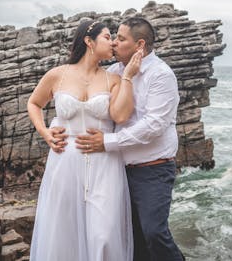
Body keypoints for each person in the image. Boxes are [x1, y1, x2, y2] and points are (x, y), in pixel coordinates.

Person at [27, 19, 142, 261]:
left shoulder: (113, 79)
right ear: (89, 41)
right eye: (107, 37)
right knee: (63, 232)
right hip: (64, 162)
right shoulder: (57, 75)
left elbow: (120, 115)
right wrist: (46, 133)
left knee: (104, 235)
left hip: (104, 165)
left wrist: (129, 76)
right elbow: (34, 103)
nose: (113, 43)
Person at [74, 17, 185, 261]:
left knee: (154, 232)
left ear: (139, 45)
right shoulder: (114, 72)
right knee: (131, 239)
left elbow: (153, 126)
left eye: (121, 38)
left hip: (153, 169)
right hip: (117, 170)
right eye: (113, 37)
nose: (114, 43)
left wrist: (107, 142)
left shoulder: (161, 75)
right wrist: (63, 127)